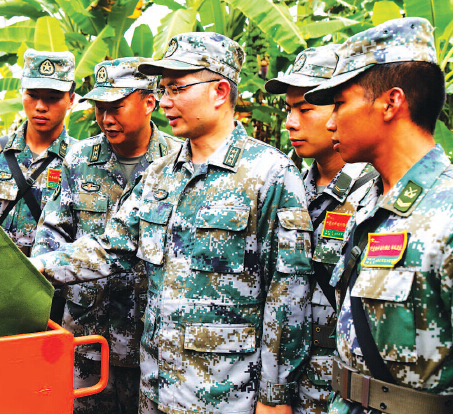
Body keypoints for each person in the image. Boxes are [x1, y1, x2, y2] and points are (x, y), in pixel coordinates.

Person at [32, 32, 313, 414]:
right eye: (164, 89)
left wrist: (274, 398)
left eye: (177, 88)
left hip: (227, 397)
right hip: (156, 392)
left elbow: (287, 294)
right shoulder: (162, 174)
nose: (164, 101)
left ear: (218, 91)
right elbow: (109, 247)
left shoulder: (269, 175)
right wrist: (32, 268)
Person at [304, 17, 453, 414]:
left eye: (339, 103)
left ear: (391, 102)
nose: (331, 121)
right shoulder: (370, 204)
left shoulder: (446, 213)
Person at [32, 57, 181, 414]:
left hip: (150, 337)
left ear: (149, 103)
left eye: (116, 107)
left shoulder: (177, 162)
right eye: (99, 108)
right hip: (87, 334)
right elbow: (52, 230)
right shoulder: (80, 158)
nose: (105, 119)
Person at [265, 46, 377, 414]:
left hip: (343, 394)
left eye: (305, 109)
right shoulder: (292, 188)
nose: (291, 123)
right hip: (285, 388)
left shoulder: (374, 195)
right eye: (288, 110)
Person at [0, 49, 76, 321]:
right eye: (32, 96)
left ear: (71, 100)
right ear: (21, 93)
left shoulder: (79, 161)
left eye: (53, 98)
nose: (41, 106)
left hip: (50, 302)